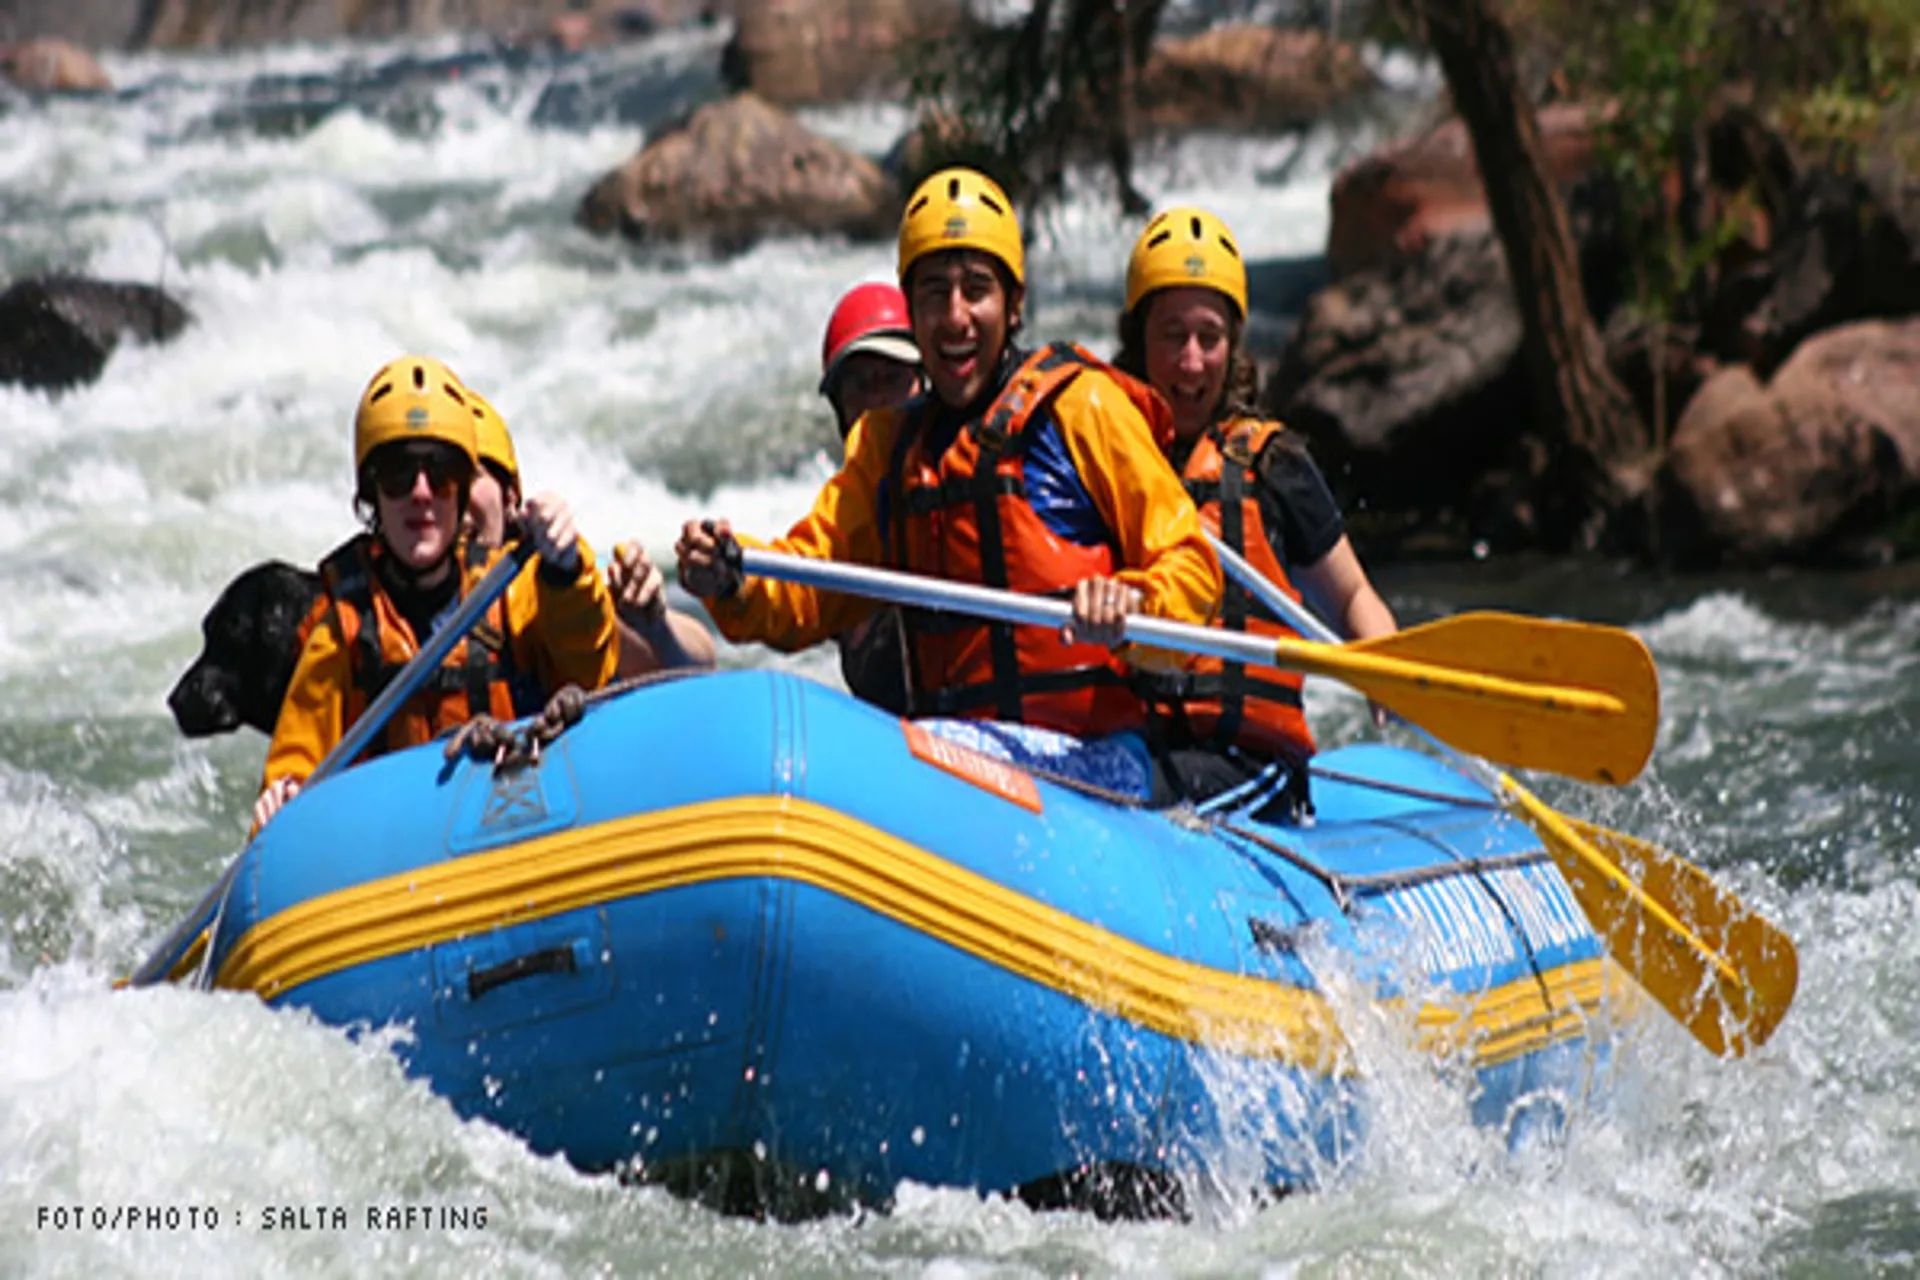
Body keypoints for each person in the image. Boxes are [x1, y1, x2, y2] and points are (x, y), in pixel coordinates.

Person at [676, 168, 1221, 798]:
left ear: (1014, 306)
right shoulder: (887, 448)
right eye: (934, 294)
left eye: (976, 291)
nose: (955, 317)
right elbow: (810, 581)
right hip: (960, 763)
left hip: (1090, 760)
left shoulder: (1082, 407)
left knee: (920, 756)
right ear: (911, 311)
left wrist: (1134, 600)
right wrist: (733, 577)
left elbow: (1192, 563)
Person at [253, 355, 619, 830]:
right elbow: (295, 765)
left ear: (463, 491)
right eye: (398, 473)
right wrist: (282, 799)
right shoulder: (341, 629)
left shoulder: (515, 589)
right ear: (372, 495)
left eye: (440, 472)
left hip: (517, 822)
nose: (421, 493)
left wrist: (569, 569)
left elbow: (589, 672)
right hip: (397, 854)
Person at [1115, 206, 1398, 814]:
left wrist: (1382, 661)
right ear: (1138, 339)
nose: (1191, 362)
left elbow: (1351, 598)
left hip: (1249, 766)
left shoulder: (1273, 467)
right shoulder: (1101, 456)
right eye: (1172, 335)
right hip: (1133, 746)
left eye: (1209, 338)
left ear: (1233, 346)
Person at [465, 388, 713, 678]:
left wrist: (657, 629)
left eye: (468, 476)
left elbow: (700, 664)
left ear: (509, 497)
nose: (438, 498)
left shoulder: (554, 584)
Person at [817, 280, 923, 713]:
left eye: (892, 379)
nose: (877, 402)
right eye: (860, 384)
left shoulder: (973, 483)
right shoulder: (837, 520)